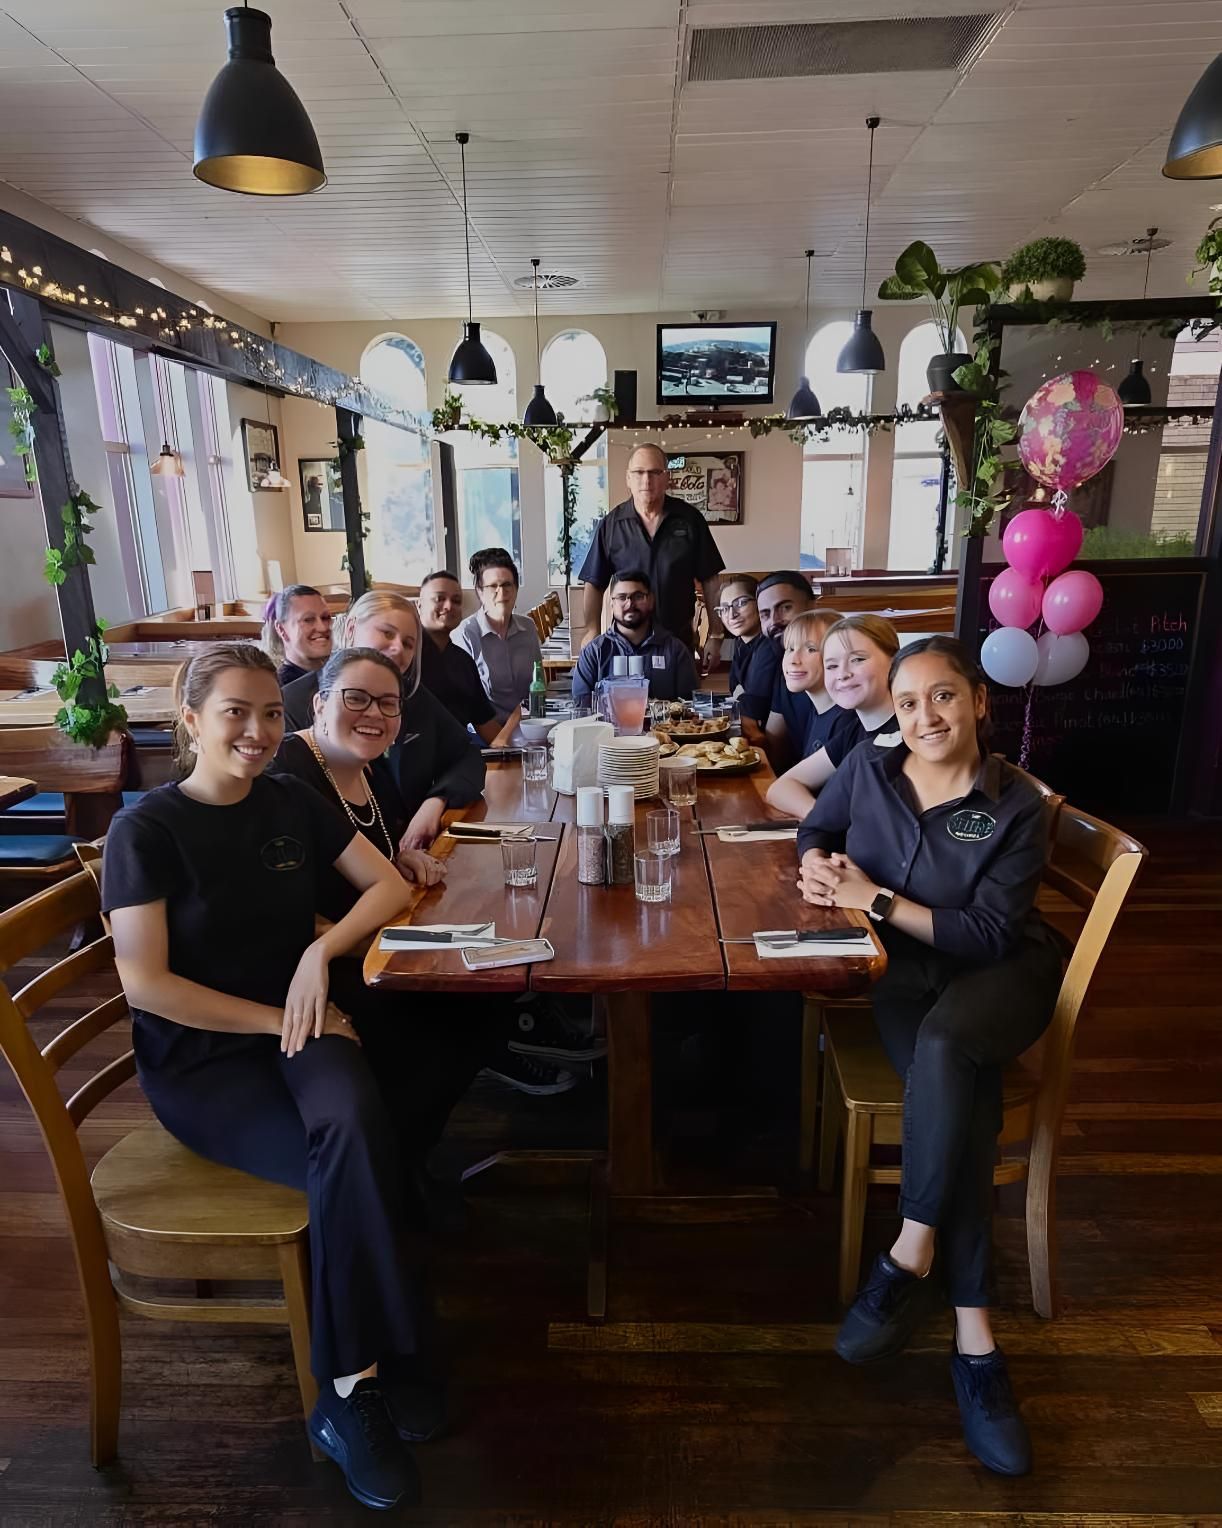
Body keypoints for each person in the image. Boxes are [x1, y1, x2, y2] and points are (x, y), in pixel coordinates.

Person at [101, 643, 430, 1511]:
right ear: (192, 720)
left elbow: (389, 887)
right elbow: (150, 987)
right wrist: (283, 1014)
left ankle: (362, 1375)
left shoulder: (288, 799)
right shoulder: (145, 829)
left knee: (359, 1125)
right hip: (202, 1061)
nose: (257, 731)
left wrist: (320, 952)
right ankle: (362, 1382)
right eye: (235, 713)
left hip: (302, 1021)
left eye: (271, 714)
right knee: (342, 1161)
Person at [795, 636, 1064, 1476]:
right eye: (909, 703)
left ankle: (910, 1249)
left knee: (951, 1050)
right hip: (905, 975)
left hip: (1000, 972)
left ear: (979, 701)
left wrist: (871, 895)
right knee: (961, 1097)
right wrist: (814, 863)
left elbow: (988, 934)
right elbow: (816, 824)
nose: (924, 717)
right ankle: (976, 1341)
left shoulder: (1014, 803)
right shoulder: (871, 772)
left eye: (943, 697)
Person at [270, 647, 500, 1169]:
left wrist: (404, 860)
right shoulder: (290, 773)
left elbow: (376, 857)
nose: (374, 714)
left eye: (388, 704)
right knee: (439, 1025)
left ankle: (410, 1151)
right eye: (357, 698)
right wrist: (348, 945)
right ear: (319, 704)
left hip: (376, 938)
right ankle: (396, 1166)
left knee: (488, 999)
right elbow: (277, 904)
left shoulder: (368, 769)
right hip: (315, 964)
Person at [281, 590, 485, 853]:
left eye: (409, 643)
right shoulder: (294, 704)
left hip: (414, 853)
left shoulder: (412, 697)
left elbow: (467, 755)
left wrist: (436, 801)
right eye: (387, 633)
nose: (398, 648)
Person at [578, 444, 726, 669]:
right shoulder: (611, 526)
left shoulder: (690, 520)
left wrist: (716, 635)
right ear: (628, 478)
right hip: (625, 645)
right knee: (626, 702)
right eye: (638, 472)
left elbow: (710, 580)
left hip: (678, 641)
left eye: (654, 472)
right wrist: (592, 631)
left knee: (680, 704)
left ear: (666, 477)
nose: (646, 480)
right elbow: (594, 583)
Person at [765, 614, 900, 819]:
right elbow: (779, 789)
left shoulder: (908, 734)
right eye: (832, 666)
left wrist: (825, 826)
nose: (843, 674)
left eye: (857, 660)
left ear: (896, 661)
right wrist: (822, 821)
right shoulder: (855, 732)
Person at [571, 568, 697, 703]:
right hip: (606, 724)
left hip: (663, 724)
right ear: (612, 604)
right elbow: (581, 707)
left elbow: (690, 705)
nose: (630, 604)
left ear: (651, 600)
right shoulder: (594, 653)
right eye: (622, 597)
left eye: (638, 596)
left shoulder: (675, 651)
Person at [453, 548, 542, 726]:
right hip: (485, 734)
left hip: (528, 726)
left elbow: (538, 683)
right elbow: (466, 705)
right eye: (493, 586)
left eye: (507, 585)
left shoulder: (528, 627)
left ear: (516, 589)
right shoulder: (465, 635)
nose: (501, 593)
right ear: (479, 591)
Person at [416, 570, 503, 743]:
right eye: (439, 598)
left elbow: (487, 727)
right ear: (419, 606)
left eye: (456, 601)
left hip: (459, 758)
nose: (449, 606)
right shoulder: (406, 657)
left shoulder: (463, 661)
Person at [767, 609, 858, 764]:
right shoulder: (816, 711)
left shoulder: (846, 721)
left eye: (811, 649)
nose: (794, 660)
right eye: (790, 648)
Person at [755, 571, 817, 763]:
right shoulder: (789, 666)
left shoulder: (840, 672)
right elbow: (775, 739)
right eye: (765, 614)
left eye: (785, 607)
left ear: (813, 606)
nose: (774, 621)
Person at [718, 574, 778, 746]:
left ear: (760, 603)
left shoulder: (768, 646)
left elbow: (751, 711)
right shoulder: (740, 642)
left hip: (770, 742)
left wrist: (741, 698)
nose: (732, 614)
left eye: (741, 603)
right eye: (724, 608)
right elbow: (736, 694)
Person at [262, 584, 333, 686]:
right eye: (308, 620)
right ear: (282, 629)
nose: (323, 627)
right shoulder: (280, 691)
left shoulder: (340, 673)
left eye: (325, 617)